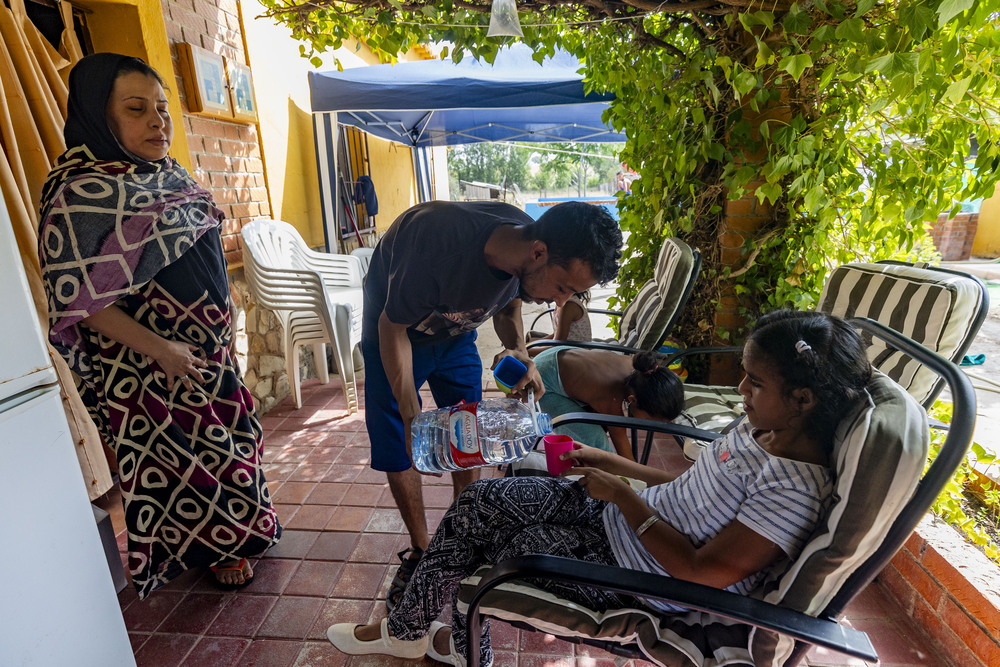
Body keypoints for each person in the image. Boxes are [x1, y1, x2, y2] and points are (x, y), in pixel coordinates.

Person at [327, 310, 872, 665]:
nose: (741, 389)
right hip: (623, 523)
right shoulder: (761, 432)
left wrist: (621, 495)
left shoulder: (793, 489)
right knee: (480, 502)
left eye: (755, 381)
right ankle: (410, 630)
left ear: (803, 399)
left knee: (489, 561)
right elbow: (684, 490)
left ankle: (456, 644)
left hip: (638, 573)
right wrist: (609, 464)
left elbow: (701, 572)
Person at [37, 53, 281, 598]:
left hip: (209, 347)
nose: (158, 121)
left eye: (163, 108)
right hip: (152, 361)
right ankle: (215, 550)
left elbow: (202, 245)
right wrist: (162, 349)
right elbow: (81, 302)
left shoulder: (168, 174)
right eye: (136, 108)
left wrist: (231, 304)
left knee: (231, 444)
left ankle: (242, 534)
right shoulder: (80, 193)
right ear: (100, 117)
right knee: (185, 459)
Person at [361, 199, 623, 609]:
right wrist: (413, 417)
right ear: (538, 252)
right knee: (399, 445)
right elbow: (392, 328)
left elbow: (510, 304)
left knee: (471, 436)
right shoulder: (437, 244)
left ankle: (455, 543)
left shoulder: (526, 248)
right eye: (564, 287)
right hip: (393, 333)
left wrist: (519, 351)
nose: (561, 301)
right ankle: (420, 549)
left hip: (456, 336)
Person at [533, 347, 684, 459]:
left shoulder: (640, 372)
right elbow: (622, 448)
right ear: (633, 400)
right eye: (650, 421)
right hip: (541, 383)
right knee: (597, 444)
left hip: (556, 357)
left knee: (598, 424)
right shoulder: (612, 395)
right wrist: (636, 481)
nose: (650, 427)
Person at [525, 290, 592, 351]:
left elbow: (557, 345)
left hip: (576, 352)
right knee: (530, 339)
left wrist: (527, 351)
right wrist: (536, 342)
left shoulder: (568, 306)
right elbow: (557, 334)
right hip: (565, 346)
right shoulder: (562, 303)